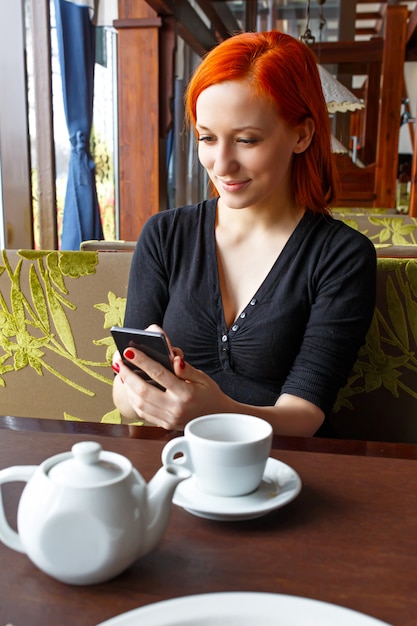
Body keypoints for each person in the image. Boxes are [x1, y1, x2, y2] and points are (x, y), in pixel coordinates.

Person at [112, 30, 376, 437]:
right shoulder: (165, 235)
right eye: (207, 138)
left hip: (280, 470)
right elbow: (123, 398)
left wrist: (217, 411)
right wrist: (140, 387)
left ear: (302, 135)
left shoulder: (341, 255)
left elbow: (305, 416)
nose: (221, 165)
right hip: (173, 465)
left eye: (247, 140)